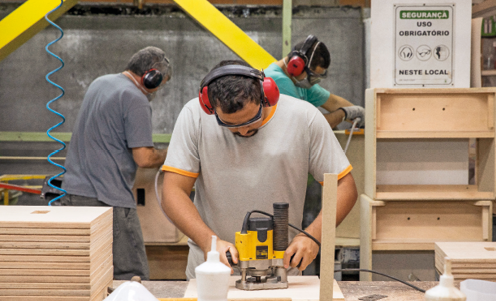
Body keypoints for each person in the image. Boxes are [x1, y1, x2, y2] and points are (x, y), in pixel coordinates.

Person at [161, 60, 358, 280]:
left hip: (282, 270)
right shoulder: (194, 116)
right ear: (209, 107)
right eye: (232, 126)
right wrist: (209, 242)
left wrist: (314, 236)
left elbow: (345, 186)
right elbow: (172, 191)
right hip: (213, 269)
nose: (244, 131)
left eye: (252, 120)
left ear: (267, 95)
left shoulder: (304, 118)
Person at [61, 46, 172, 280]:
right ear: (151, 77)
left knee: (89, 276)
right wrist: (172, 153)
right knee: (131, 275)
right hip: (107, 199)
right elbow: (144, 158)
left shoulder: (100, 83)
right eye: (161, 83)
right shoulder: (136, 98)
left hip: (73, 194)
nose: (159, 90)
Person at [264, 35, 365, 129]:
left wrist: (362, 115)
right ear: (296, 66)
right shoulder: (276, 80)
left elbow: (334, 102)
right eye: (313, 77)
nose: (312, 82)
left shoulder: (298, 81)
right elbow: (308, 124)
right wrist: (342, 114)